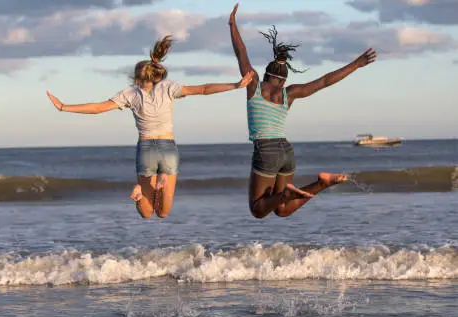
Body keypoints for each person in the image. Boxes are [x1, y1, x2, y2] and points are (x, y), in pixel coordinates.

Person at [47, 35, 254, 219]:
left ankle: (139, 194)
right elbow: (203, 89)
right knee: (163, 213)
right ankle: (162, 180)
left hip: (145, 149)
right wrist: (235, 85)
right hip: (168, 147)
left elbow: (98, 108)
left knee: (146, 213)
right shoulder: (169, 87)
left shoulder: (130, 93)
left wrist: (64, 107)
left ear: (137, 79)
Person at [228, 3, 377, 218]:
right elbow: (325, 81)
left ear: (266, 73)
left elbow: (241, 51)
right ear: (284, 79)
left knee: (258, 210)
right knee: (282, 210)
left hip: (267, 149)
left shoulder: (254, 86)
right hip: (286, 150)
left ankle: (287, 194)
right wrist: (356, 64)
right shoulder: (290, 93)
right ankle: (322, 183)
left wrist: (232, 24)